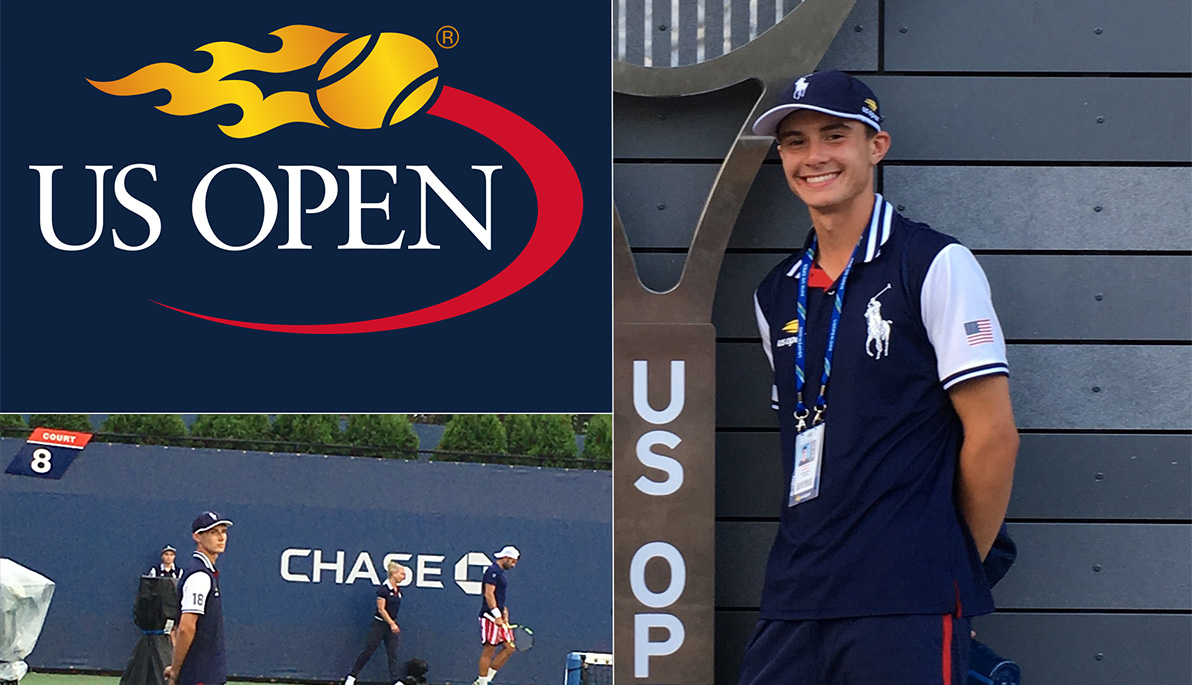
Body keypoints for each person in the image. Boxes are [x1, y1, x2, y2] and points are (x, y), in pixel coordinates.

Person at [741, 70, 1019, 684]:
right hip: (797, 594)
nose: (813, 156)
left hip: (906, 597)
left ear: (876, 145)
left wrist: (947, 564)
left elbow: (994, 435)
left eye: (834, 135)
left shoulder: (936, 264)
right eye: (794, 141)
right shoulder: (775, 295)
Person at [164, 511, 233, 685]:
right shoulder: (199, 576)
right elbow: (186, 628)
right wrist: (175, 670)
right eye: (213, 532)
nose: (221, 537)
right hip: (198, 677)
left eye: (223, 532)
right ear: (197, 537)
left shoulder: (207, 573)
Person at [344, 562, 407, 685]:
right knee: (369, 650)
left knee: (392, 654)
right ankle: (352, 677)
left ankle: (395, 680)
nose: (403, 576)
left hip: (390, 627)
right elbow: (381, 609)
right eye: (401, 574)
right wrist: (391, 623)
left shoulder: (398, 591)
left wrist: (392, 624)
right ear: (393, 574)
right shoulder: (383, 590)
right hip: (379, 625)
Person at [473, 546, 520, 685]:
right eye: (512, 562)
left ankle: (487, 679)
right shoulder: (492, 571)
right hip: (490, 617)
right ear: (506, 558)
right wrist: (496, 615)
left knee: (509, 648)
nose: (513, 565)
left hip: (498, 615)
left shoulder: (498, 573)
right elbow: (488, 593)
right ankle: (482, 682)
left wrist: (503, 610)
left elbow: (498, 595)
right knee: (489, 649)